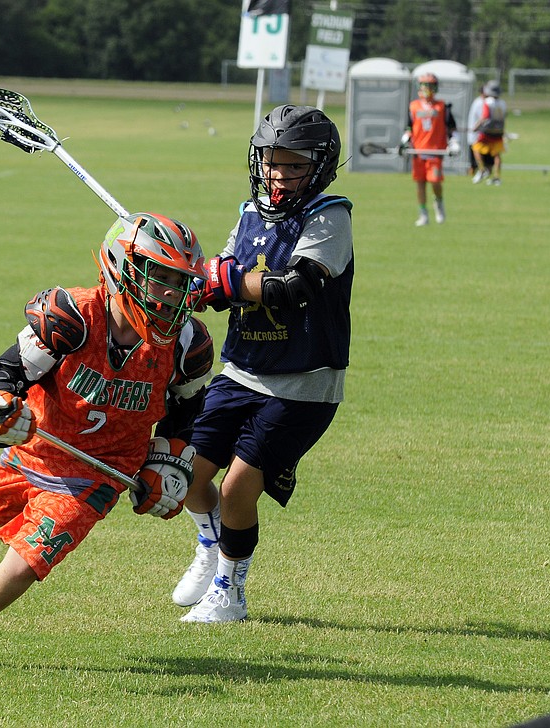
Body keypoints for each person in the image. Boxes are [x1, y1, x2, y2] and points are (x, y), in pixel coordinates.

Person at [0, 213, 215, 668]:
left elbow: (187, 413)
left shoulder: (187, 344)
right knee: (15, 542)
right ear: (123, 271)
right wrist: (0, 407)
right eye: (161, 280)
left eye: (181, 282)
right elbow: (6, 373)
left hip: (99, 472)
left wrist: (170, 459)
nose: (173, 295)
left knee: (29, 560)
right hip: (34, 451)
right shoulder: (72, 318)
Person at [171, 105, 354, 623]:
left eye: (294, 165)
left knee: (235, 487)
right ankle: (211, 547)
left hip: (303, 383)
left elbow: (295, 286)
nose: (280, 173)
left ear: (319, 166)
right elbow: (226, 277)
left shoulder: (329, 215)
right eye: (272, 162)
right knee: (185, 473)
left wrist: (226, 282)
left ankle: (230, 590)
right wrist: (203, 283)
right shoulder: (250, 212)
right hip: (241, 370)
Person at [400, 73, 459, 226]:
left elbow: (452, 128)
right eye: (424, 85)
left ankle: (439, 205)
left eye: (430, 86)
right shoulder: (413, 106)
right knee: (420, 184)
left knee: (435, 182)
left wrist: (454, 142)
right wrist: (405, 140)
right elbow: (409, 127)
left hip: (435, 152)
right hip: (418, 152)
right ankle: (423, 214)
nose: (427, 89)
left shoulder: (443, 107)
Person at [471, 79, 507, 186]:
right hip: (499, 132)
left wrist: (476, 126)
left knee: (476, 148)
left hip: (487, 132)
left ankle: (482, 169)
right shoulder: (503, 103)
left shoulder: (487, 102)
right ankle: (497, 177)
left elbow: (485, 116)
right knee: (497, 154)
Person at [467, 85, 493, 178]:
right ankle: (481, 170)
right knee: (476, 152)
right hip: (477, 134)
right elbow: (483, 118)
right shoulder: (480, 103)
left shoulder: (482, 102)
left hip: (479, 133)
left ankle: (483, 171)